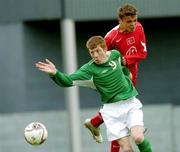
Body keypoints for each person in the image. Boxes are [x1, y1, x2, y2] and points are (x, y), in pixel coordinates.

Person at [35, 35, 152, 152]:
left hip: (130, 104)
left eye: (98, 51)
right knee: (127, 149)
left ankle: (93, 124)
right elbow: (67, 81)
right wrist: (55, 73)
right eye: (92, 52)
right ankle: (93, 124)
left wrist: (128, 76)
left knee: (138, 137)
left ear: (105, 49)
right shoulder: (89, 69)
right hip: (111, 111)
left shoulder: (115, 54)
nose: (95, 55)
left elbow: (123, 65)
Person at [84, 3, 148, 152]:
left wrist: (127, 60)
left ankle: (94, 122)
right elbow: (99, 59)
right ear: (120, 20)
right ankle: (95, 123)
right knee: (119, 113)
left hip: (132, 70)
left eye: (135, 20)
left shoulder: (139, 27)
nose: (133, 24)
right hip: (117, 75)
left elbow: (143, 53)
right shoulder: (111, 38)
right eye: (129, 21)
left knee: (123, 111)